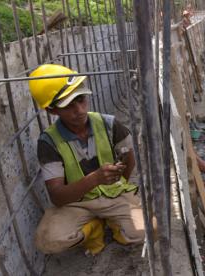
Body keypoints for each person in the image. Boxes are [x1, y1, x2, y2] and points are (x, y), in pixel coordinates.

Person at [29, 64, 146, 255]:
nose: (80, 110)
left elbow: (130, 157)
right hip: (76, 203)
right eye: (69, 105)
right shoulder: (49, 142)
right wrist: (95, 179)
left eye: (81, 99)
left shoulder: (109, 124)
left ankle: (116, 225)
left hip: (114, 195)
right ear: (52, 110)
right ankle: (93, 229)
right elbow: (57, 196)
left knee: (150, 230)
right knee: (48, 242)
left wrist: (119, 183)